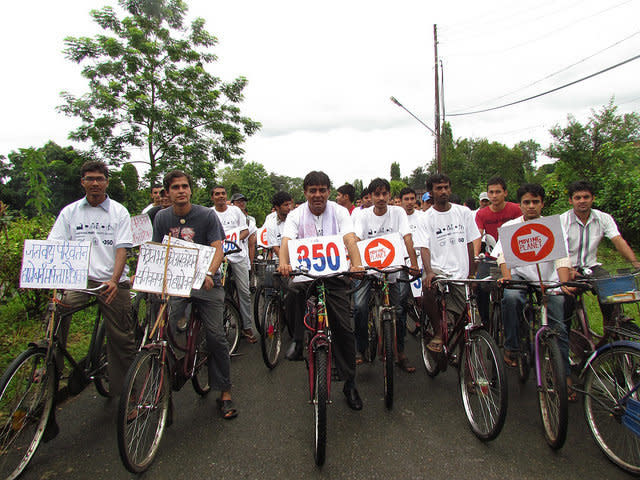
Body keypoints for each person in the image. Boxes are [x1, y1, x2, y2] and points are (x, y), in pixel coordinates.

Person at [153, 171, 238, 419]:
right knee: (162, 329)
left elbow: (217, 250)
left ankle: (225, 390)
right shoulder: (161, 218)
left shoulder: (207, 216)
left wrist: (209, 273)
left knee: (215, 336)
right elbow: (156, 250)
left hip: (206, 283)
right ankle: (162, 389)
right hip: (177, 284)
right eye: (175, 187)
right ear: (167, 192)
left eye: (185, 186)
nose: (181, 191)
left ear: (191, 190)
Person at [278, 171, 366, 410]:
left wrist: (356, 264)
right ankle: (297, 339)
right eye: (312, 190)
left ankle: (350, 383)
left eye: (322, 190)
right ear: (305, 192)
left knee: (344, 330)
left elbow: (349, 238)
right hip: (305, 275)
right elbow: (286, 241)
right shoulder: (295, 215)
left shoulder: (339, 211)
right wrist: (283, 263)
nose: (317, 195)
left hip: (334, 276)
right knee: (292, 293)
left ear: (328, 191)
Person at [48, 160, 136, 398]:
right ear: (82, 182)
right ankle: (49, 374)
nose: (95, 183)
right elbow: (55, 244)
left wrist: (115, 280)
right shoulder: (70, 212)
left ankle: (129, 396)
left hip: (111, 280)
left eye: (99, 178)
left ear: (106, 182)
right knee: (56, 314)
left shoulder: (119, 212)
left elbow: (122, 249)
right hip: (80, 280)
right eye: (90, 178)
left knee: (121, 338)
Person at [492, 183, 574, 395]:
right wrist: (507, 277)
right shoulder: (511, 227)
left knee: (560, 329)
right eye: (526, 202)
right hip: (520, 277)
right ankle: (512, 345)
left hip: (548, 280)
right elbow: (502, 256)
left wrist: (563, 283)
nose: (531, 206)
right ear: (520, 205)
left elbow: (562, 257)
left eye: (535, 202)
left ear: (542, 204)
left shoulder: (553, 226)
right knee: (510, 299)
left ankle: (564, 377)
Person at [352, 179, 419, 371]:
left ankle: (400, 352)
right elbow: (356, 239)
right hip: (368, 269)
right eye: (377, 194)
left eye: (385, 194)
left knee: (399, 309)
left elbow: (407, 237)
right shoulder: (363, 215)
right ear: (371, 197)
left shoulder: (398, 212)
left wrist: (413, 264)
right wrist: (355, 265)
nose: (381, 198)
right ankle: (361, 348)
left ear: (389, 196)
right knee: (359, 307)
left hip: (393, 268)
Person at [560, 179, 640, 330]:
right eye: (578, 198)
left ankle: (611, 330)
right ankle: (566, 337)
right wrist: (568, 270)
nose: (582, 201)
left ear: (593, 198)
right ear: (571, 200)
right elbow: (561, 249)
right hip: (568, 267)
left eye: (586, 197)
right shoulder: (562, 220)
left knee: (611, 291)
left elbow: (618, 240)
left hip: (592, 267)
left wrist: (635, 262)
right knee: (566, 299)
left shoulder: (603, 218)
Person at [414, 173, 480, 353]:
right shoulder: (424, 218)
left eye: (446, 187)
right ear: (431, 192)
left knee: (464, 321)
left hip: (461, 272)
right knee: (428, 288)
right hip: (438, 269)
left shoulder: (464, 213)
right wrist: (428, 272)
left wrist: (472, 273)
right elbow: (424, 248)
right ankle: (437, 331)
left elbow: (470, 243)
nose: (443, 191)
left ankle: (465, 362)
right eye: (438, 188)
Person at [211, 186, 257, 343]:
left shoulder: (236, 211)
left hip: (237, 255)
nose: (220, 196)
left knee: (244, 292)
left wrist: (234, 239)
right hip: (218, 256)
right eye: (217, 194)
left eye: (223, 193)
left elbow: (245, 231)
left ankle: (247, 327)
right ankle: (214, 327)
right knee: (215, 291)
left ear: (226, 196)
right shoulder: (210, 213)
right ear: (213, 198)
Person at [475, 176, 521, 247]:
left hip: (514, 250)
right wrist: (475, 255)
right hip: (491, 253)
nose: (494, 196)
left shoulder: (517, 209)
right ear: (488, 194)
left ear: (505, 193)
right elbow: (477, 236)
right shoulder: (481, 214)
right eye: (491, 192)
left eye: (498, 192)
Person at [230, 193, 258, 278]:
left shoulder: (250, 223)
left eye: (243, 201)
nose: (241, 203)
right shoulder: (227, 219)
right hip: (225, 256)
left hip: (242, 257)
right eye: (238, 201)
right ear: (233, 203)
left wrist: (251, 262)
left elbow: (251, 245)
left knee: (243, 288)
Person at [264, 191, 293, 257]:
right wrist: (285, 262)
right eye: (286, 205)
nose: (289, 207)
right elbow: (276, 248)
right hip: (281, 260)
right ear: (277, 207)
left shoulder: (296, 219)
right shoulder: (270, 224)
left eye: (290, 204)